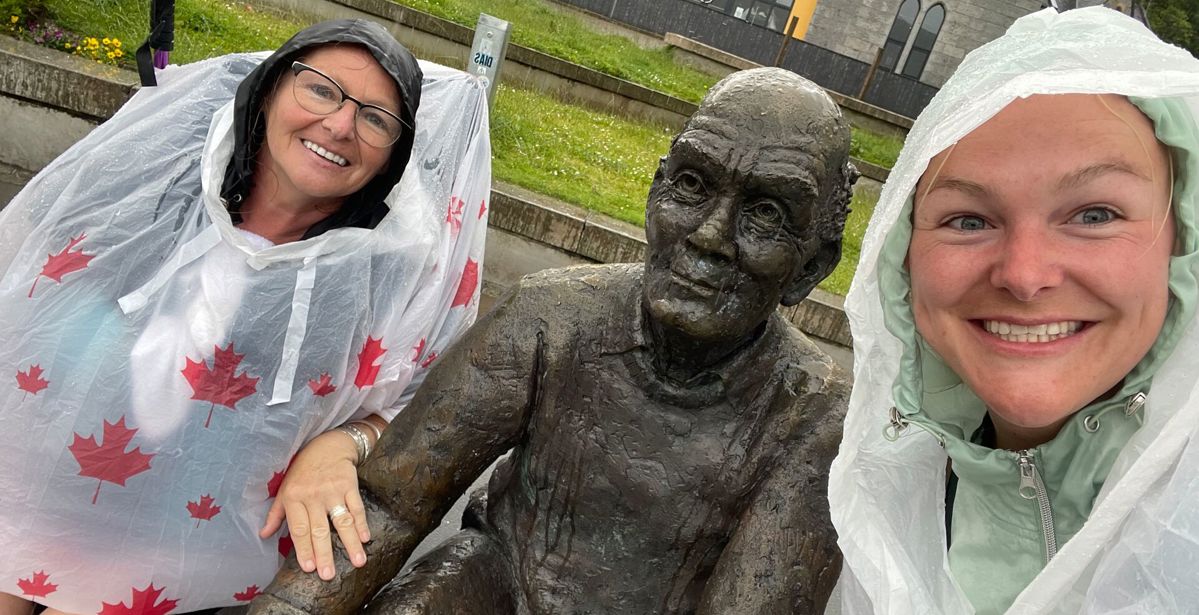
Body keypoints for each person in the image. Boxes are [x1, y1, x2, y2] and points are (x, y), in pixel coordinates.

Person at [247, 67, 857, 615]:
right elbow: (392, 502)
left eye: (767, 215)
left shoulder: (816, 418)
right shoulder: (550, 314)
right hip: (499, 580)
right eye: (693, 185)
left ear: (810, 268)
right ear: (655, 192)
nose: (708, 236)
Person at [0, 19, 490, 614]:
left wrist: (346, 441)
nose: (339, 126)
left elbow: (427, 396)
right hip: (46, 509)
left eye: (376, 119)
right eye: (320, 89)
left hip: (189, 561)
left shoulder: (385, 278)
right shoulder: (148, 205)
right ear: (268, 90)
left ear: (393, 157)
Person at [830, 7, 1199, 614]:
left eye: (1095, 214)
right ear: (903, 256)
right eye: (968, 220)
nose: (1025, 276)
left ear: (1181, 242)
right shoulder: (860, 500)